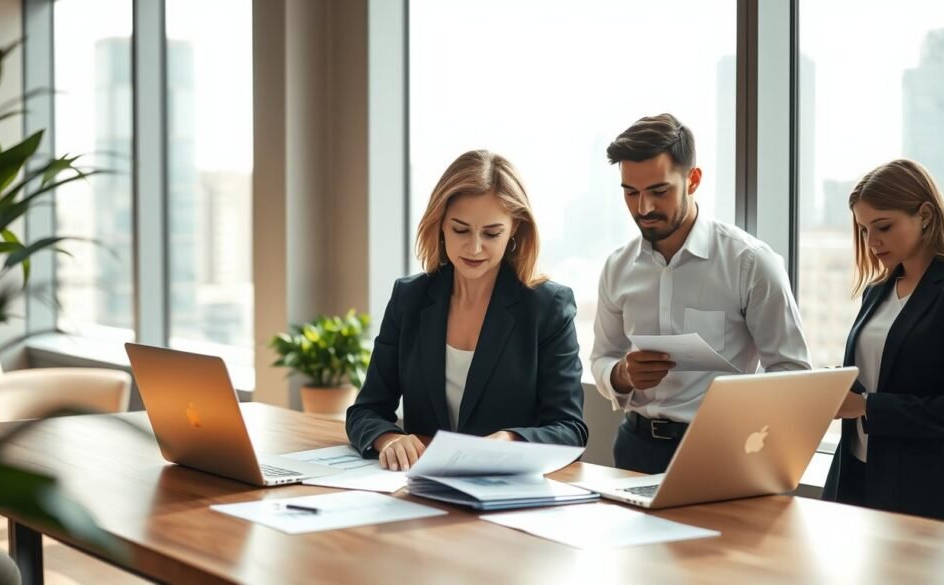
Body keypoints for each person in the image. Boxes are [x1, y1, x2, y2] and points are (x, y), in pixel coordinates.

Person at [590, 113, 811, 474]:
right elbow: (602, 357)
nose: (643, 208)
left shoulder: (750, 263)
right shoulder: (618, 267)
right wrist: (622, 375)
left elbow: (792, 371)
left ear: (693, 180)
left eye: (659, 191)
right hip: (634, 448)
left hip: (722, 451)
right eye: (631, 193)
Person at [346, 150, 588, 471]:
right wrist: (389, 439)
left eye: (491, 233)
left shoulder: (548, 306)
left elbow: (570, 430)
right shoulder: (409, 297)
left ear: (515, 229)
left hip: (507, 493)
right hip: (420, 487)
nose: (474, 248)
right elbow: (366, 411)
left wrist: (509, 440)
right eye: (460, 230)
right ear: (440, 225)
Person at [823, 159, 944, 521]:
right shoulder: (877, 290)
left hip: (923, 489)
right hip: (856, 472)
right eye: (864, 230)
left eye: (883, 226)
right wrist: (828, 386)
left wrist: (867, 406)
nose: (872, 241)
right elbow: (876, 371)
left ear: (925, 215)